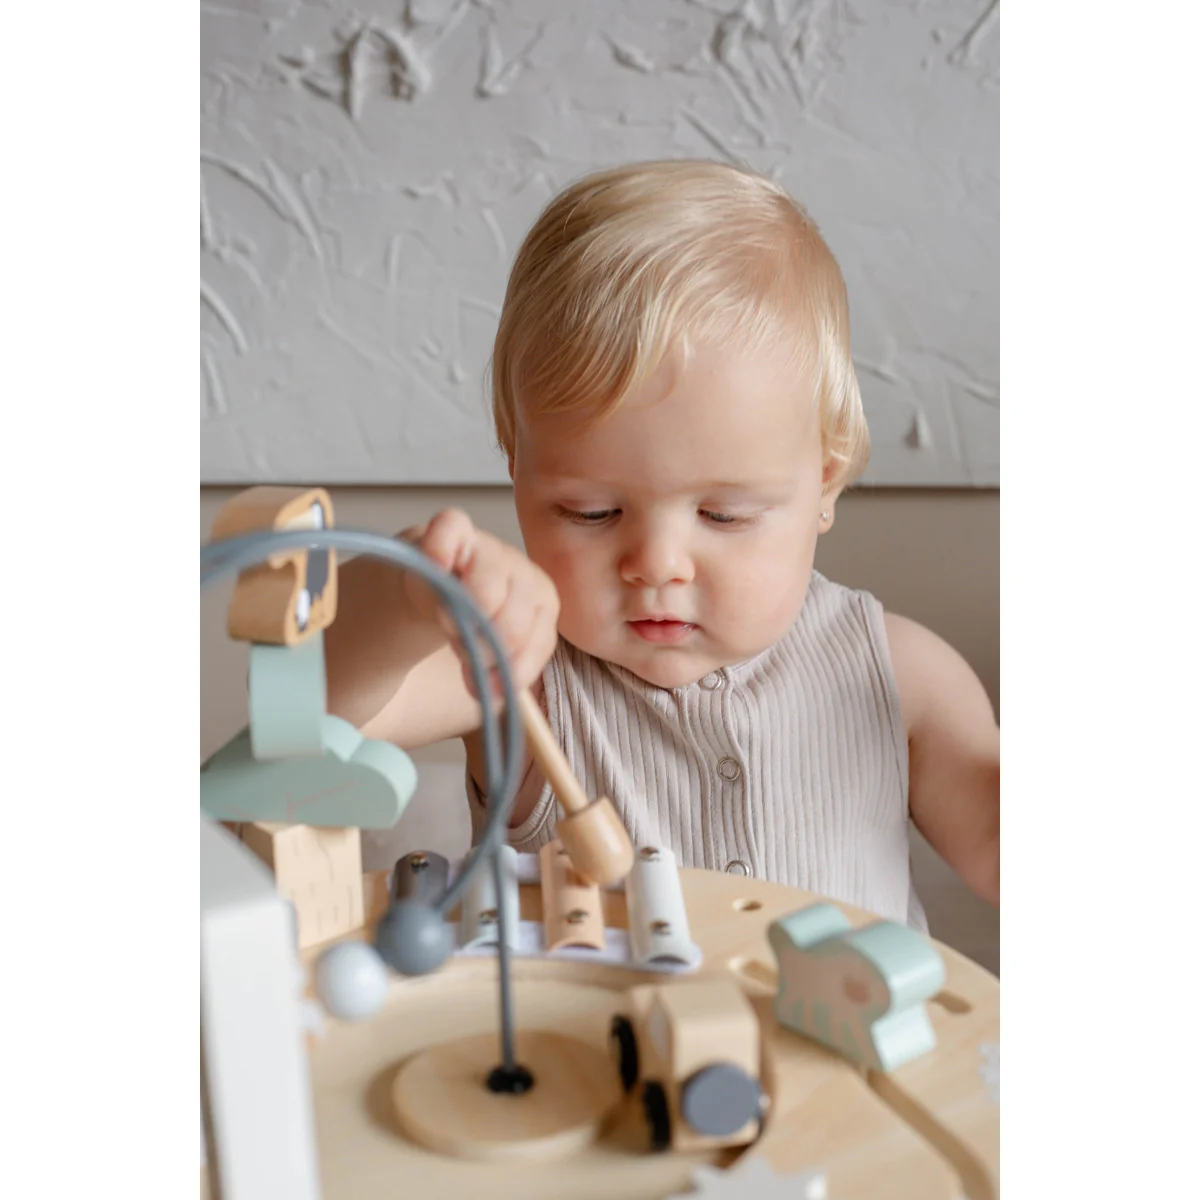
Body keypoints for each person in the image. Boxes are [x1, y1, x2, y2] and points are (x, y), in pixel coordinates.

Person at [324, 160, 999, 929]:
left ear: (825, 482)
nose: (656, 564)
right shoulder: (522, 679)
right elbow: (318, 711)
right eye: (591, 512)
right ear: (518, 466)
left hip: (857, 1015)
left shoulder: (902, 678)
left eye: (724, 515)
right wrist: (408, 597)